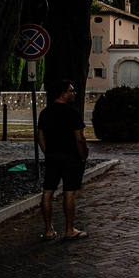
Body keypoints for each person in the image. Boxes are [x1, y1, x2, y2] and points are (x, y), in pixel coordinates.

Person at [37, 79, 89, 241]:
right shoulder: (72, 113)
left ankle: (48, 229)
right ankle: (69, 229)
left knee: (47, 191)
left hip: (53, 156)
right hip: (71, 157)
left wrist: (49, 152)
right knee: (69, 192)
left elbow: (40, 137)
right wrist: (82, 155)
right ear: (63, 93)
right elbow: (79, 138)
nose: (74, 93)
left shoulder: (45, 113)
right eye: (71, 90)